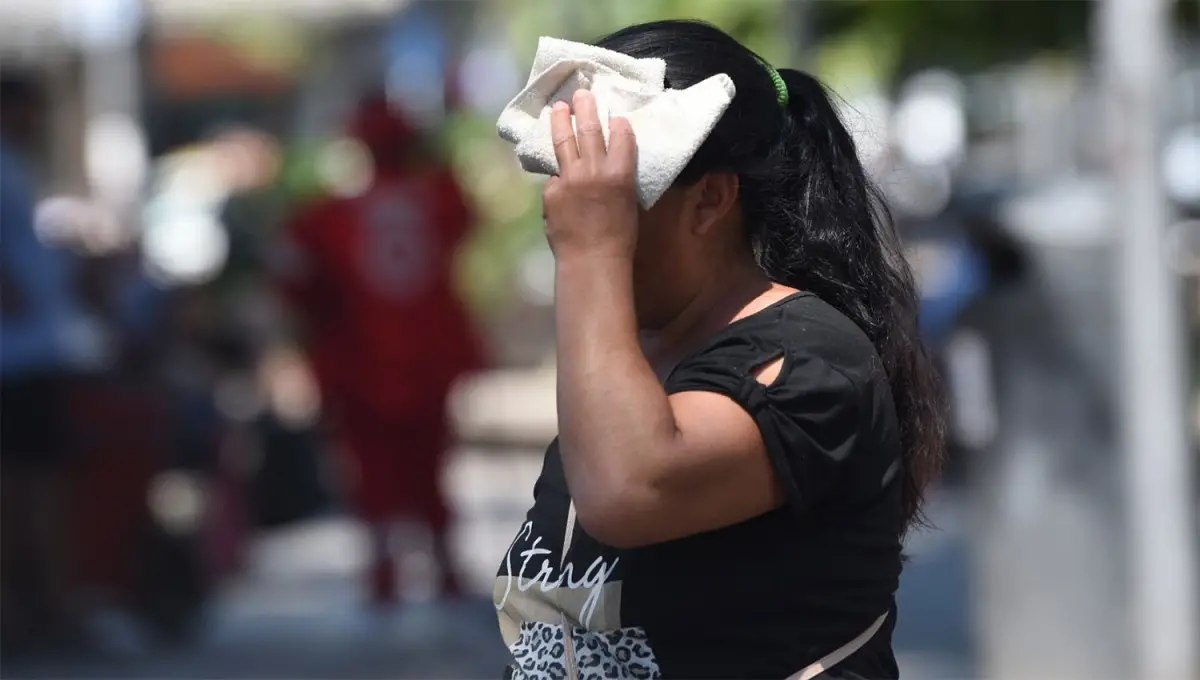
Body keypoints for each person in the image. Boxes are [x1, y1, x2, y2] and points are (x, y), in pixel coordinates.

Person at [494, 21, 946, 679]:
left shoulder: (811, 363)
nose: (567, 214)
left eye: (614, 193)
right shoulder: (625, 374)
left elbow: (630, 490)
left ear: (710, 197)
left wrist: (594, 251)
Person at [275, 93, 484, 606]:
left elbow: (294, 279)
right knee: (431, 465)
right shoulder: (436, 195)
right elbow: (465, 221)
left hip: (361, 359)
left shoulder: (329, 214)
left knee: (372, 469)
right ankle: (444, 566)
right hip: (428, 356)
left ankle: (384, 571)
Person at [0, 70, 88, 653]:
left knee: (37, 485)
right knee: (26, 487)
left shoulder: (17, 167)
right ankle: (36, 611)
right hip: (14, 358)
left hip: (32, 353)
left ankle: (42, 609)